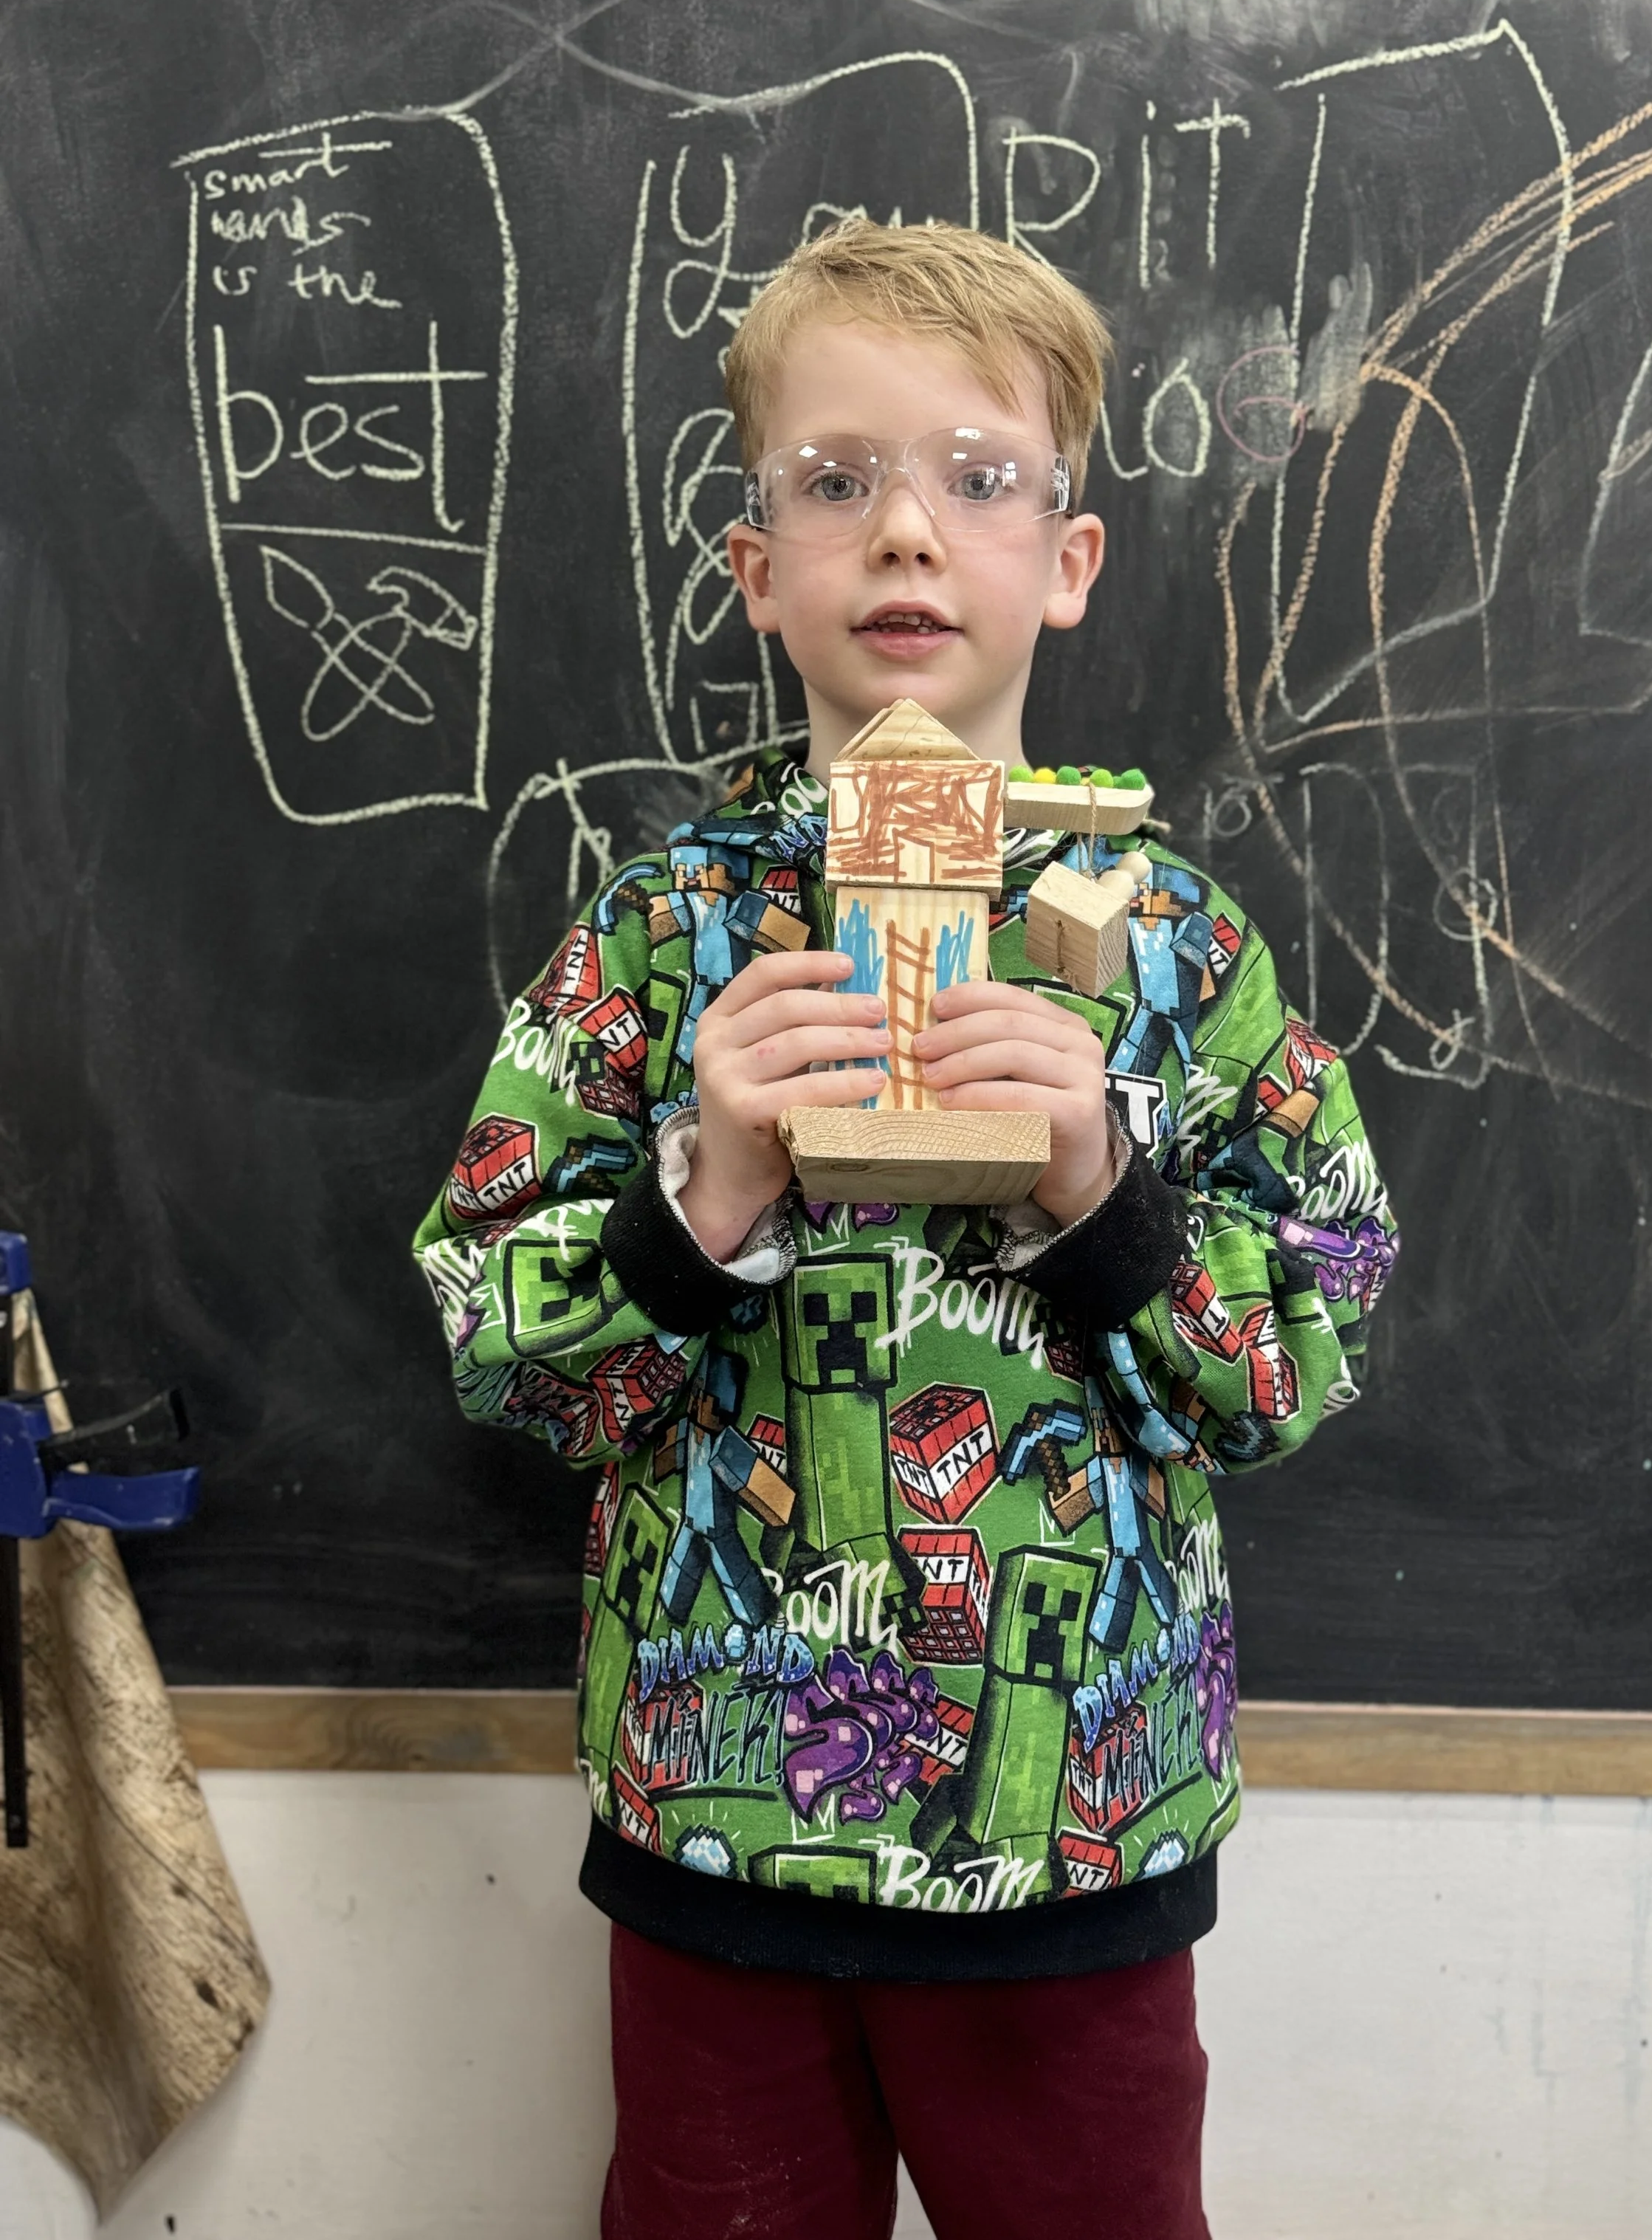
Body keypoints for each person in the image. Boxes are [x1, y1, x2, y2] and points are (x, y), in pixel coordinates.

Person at [412, 221, 1397, 2240]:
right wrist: (704, 1199)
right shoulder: (664, 936)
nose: (906, 537)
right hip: (721, 1831)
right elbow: (489, 1329)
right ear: (756, 564)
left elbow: (1310, 1337)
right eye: (835, 479)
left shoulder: (1181, 950)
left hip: (1075, 1852)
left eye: (977, 475)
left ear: (1067, 556)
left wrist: (1097, 1194)